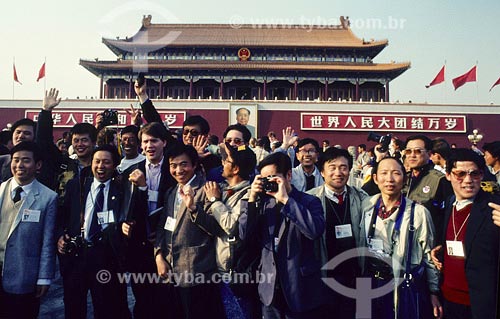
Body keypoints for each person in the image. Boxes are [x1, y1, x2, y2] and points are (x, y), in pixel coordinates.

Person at [239, 152, 326, 318]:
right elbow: (244, 235)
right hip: (269, 290)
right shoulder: (263, 204)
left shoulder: (309, 201)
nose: (269, 183)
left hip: (300, 289)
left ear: (289, 175)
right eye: (265, 179)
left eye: (273, 177)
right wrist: (251, 199)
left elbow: (314, 230)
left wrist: (286, 200)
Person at [360, 156, 442, 319]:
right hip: (368, 281)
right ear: (375, 178)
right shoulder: (367, 205)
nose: (389, 179)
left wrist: (434, 292)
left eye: (396, 173)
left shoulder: (418, 213)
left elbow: (429, 256)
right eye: (384, 173)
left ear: (404, 179)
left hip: (401, 283)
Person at [57, 145, 130, 319]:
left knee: (107, 308)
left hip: (106, 258)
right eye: (97, 161)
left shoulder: (123, 189)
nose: (100, 166)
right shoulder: (77, 185)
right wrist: (60, 236)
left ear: (114, 166)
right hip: (77, 256)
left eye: (106, 162)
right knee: (74, 308)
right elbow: (62, 216)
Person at [155, 144, 225, 318]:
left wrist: (194, 208)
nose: (179, 170)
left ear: (194, 165)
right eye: (173, 165)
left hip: (197, 272)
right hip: (171, 271)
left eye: (183, 164)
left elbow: (217, 228)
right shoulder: (171, 192)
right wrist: (158, 256)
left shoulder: (207, 189)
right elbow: (163, 228)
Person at [430, 148, 500, 319]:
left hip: (481, 304)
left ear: (482, 175)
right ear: (448, 175)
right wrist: (442, 250)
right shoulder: (449, 203)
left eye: (474, 174)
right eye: (460, 174)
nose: (468, 180)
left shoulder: (494, 207)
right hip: (448, 300)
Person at [307, 147, 369, 318]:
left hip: (358, 275)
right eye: (332, 167)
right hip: (324, 276)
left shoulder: (362, 198)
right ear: (322, 172)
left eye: (343, 167)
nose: (338, 172)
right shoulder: (310, 200)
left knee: (361, 315)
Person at [0, 142, 57, 318]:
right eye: (16, 160)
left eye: (26, 160)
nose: (19, 165)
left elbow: (48, 242)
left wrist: (44, 277)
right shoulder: (1, 189)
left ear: (37, 165)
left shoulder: (48, 197)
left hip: (25, 275)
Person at [204, 144, 260, 319]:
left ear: (235, 169)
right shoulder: (223, 189)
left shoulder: (248, 194)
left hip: (234, 271)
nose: (223, 164)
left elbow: (232, 226)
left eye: (226, 161)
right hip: (217, 267)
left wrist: (214, 201)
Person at [402, 134, 453, 240]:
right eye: (408, 151)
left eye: (418, 151)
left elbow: (447, 216)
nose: (412, 155)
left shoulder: (439, 180)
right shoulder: (403, 178)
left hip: (428, 238)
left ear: (429, 154)